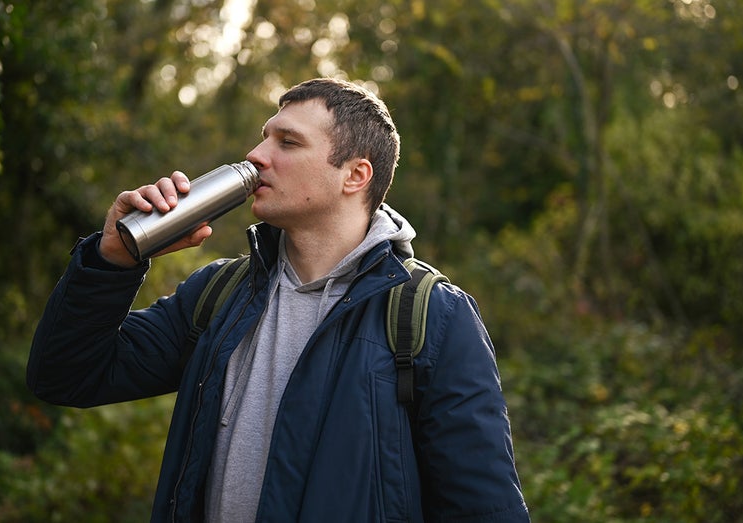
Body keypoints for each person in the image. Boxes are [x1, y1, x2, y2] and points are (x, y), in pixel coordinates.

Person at [27, 77, 530, 522]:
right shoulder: (220, 295)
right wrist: (112, 259)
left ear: (355, 175)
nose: (257, 155)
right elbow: (66, 374)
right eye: (265, 136)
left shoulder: (432, 316)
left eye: (287, 142)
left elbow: (483, 508)